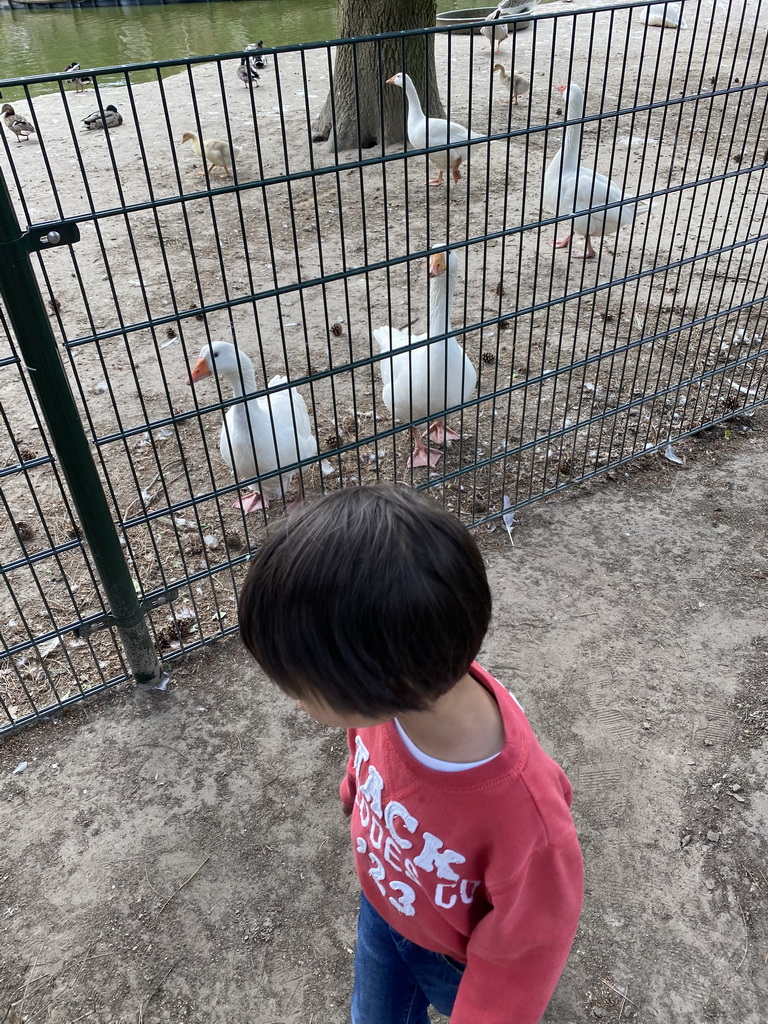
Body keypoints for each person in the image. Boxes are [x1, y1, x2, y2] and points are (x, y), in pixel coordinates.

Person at [238, 484, 583, 1024]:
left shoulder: (524, 817)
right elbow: (365, 743)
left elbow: (528, 947)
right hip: (383, 906)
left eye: (300, 688)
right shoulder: (403, 699)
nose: (292, 698)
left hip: (454, 960)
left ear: (388, 684)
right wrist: (356, 785)